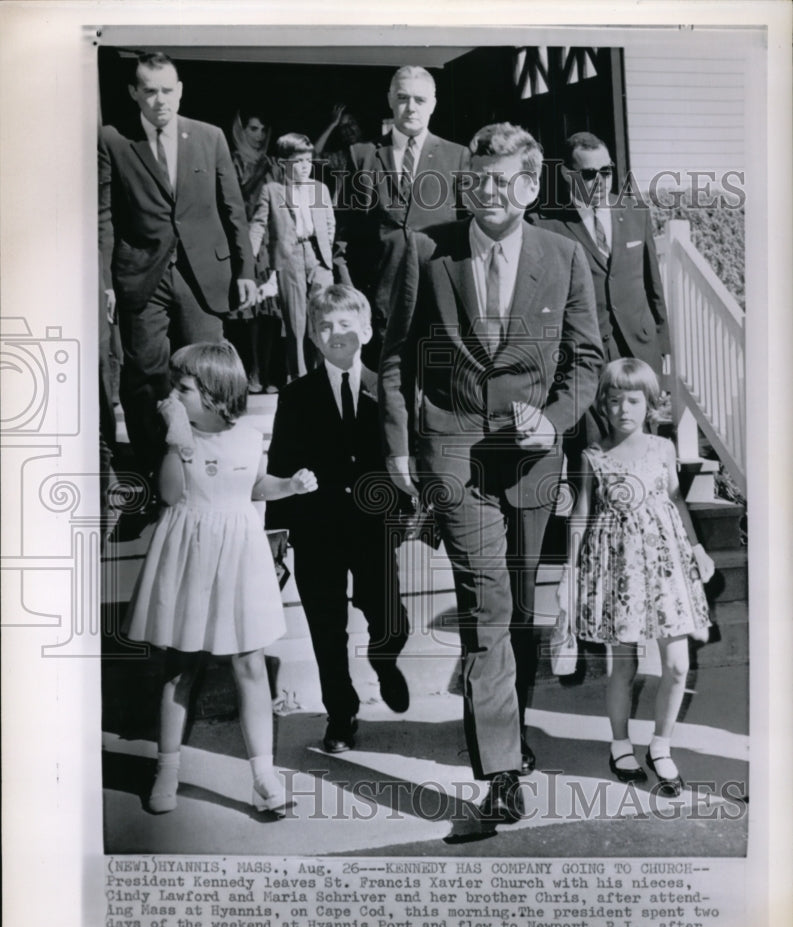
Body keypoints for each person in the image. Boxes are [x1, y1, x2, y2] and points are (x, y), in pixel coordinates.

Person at [380, 123, 603, 824]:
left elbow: (586, 361)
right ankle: (500, 771)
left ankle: (511, 728)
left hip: (532, 454)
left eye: (504, 179)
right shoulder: (426, 250)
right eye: (477, 179)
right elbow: (393, 357)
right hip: (453, 451)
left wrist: (556, 417)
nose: (488, 192)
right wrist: (397, 448)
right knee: (486, 608)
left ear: (531, 186)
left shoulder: (563, 256)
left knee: (521, 610)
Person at [123, 341, 317, 814]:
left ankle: (264, 776)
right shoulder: (177, 435)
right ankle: (167, 769)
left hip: (239, 553)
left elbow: (253, 485)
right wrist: (176, 439)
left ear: (213, 394)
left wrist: (289, 486)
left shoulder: (249, 438)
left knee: (250, 664)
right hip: (188, 553)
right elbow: (170, 494)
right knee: (180, 667)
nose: (174, 393)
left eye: (183, 387)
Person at [560, 358, 714, 796]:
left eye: (634, 400)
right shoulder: (593, 456)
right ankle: (620, 743)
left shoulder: (663, 449)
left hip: (667, 569)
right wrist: (569, 573)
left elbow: (677, 503)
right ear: (603, 406)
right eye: (614, 400)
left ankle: (661, 747)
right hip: (618, 571)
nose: (624, 409)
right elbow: (581, 515)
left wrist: (697, 547)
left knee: (677, 665)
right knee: (623, 665)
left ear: (649, 404)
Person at [267, 284, 410, 754]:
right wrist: (278, 531)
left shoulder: (387, 391)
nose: (336, 334)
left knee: (390, 619)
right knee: (327, 629)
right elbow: (280, 465)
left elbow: (403, 454)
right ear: (312, 335)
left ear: (366, 331)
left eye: (346, 325)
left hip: (372, 528)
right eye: (325, 326)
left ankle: (384, 660)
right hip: (317, 530)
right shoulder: (296, 396)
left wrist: (409, 506)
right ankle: (341, 713)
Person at [98, 52, 256, 477]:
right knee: (146, 376)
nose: (159, 100)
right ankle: (158, 473)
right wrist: (104, 282)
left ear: (180, 90)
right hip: (141, 275)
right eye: (149, 91)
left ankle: (214, 469)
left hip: (202, 275)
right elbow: (105, 216)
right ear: (134, 92)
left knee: (210, 372)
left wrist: (246, 270)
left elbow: (232, 208)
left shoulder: (210, 136)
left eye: (167, 90)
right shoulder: (113, 140)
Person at [531, 131, 670, 443]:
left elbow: (652, 284)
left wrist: (663, 345)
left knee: (642, 438)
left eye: (606, 171)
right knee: (594, 443)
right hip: (586, 350)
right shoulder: (546, 224)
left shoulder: (635, 213)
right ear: (568, 174)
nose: (600, 181)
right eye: (589, 174)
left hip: (637, 346)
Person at [339, 66, 470, 359]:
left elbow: (468, 232)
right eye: (402, 97)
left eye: (420, 100)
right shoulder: (362, 156)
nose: (411, 107)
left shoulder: (457, 156)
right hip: (380, 303)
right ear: (390, 99)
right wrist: (353, 296)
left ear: (433, 103)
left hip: (441, 300)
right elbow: (344, 236)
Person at [249, 133, 335, 381]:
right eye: (298, 161)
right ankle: (299, 378)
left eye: (308, 161)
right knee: (296, 325)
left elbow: (329, 223)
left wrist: (324, 253)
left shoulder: (320, 189)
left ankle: (325, 375)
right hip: (290, 258)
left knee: (324, 318)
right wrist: (249, 261)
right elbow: (258, 226)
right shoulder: (272, 191)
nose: (305, 166)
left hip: (318, 258)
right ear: (281, 163)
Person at [227, 109, 282, 395]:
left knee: (270, 312)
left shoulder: (271, 162)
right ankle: (251, 373)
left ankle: (267, 371)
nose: (259, 136)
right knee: (248, 314)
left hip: (270, 241)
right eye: (253, 128)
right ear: (241, 129)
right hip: (243, 241)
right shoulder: (233, 160)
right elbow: (234, 197)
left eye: (263, 130)